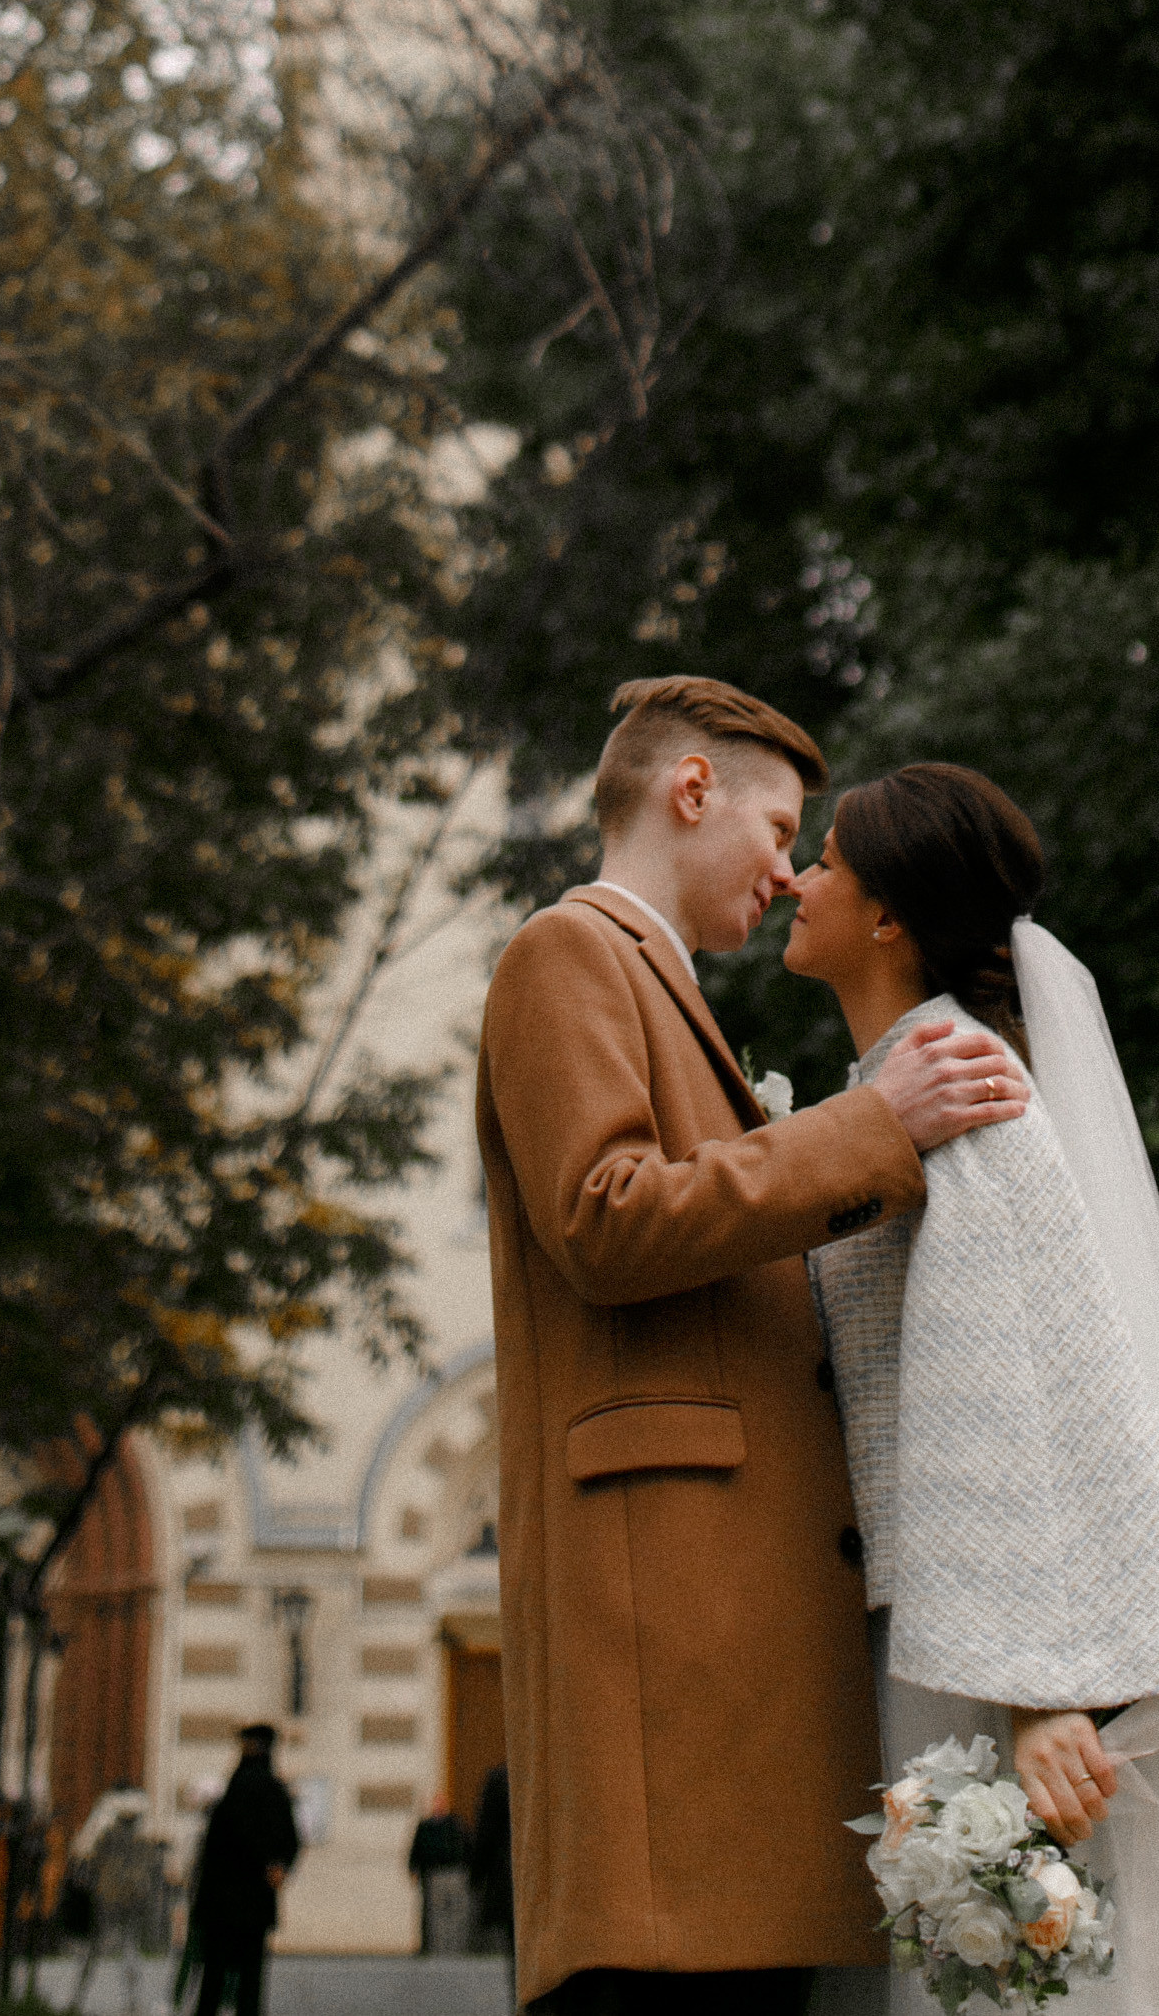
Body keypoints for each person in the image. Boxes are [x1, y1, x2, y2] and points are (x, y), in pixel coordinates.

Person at [476, 673, 1033, 2016]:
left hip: (714, 1662)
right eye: (776, 826)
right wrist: (866, 1125)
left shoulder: (659, 985)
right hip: (657, 1665)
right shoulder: (568, 952)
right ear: (688, 791)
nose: (786, 873)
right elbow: (602, 1218)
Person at [786, 761, 1159, 2016]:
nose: (796, 878)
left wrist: (1047, 1691)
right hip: (964, 1632)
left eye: (826, 860)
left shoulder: (965, 1093)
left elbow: (1022, 1378)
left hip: (1003, 1662)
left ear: (888, 916)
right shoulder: (899, 1088)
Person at [186, 1722, 300, 2014]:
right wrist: (278, 1866)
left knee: (214, 1976)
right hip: (255, 1897)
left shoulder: (233, 1791)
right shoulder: (275, 1790)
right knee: (251, 1978)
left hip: (222, 1900)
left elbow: (217, 1845)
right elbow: (290, 1838)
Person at [72, 1787, 164, 2015]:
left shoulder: (107, 1836)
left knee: (96, 1948)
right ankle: (131, 2001)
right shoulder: (142, 1841)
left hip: (109, 1898)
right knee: (129, 1948)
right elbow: (152, 1867)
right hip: (132, 1898)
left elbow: (88, 1858)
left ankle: (78, 1997)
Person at [408, 1792, 473, 1955]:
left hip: (454, 1872)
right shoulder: (425, 1826)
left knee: (455, 1913)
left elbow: (466, 1848)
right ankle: (437, 1947)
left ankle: (455, 1947)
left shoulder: (455, 1824)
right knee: (436, 1914)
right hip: (434, 1873)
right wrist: (413, 1868)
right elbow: (416, 1849)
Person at [466, 1760, 512, 1958]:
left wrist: (476, 1875)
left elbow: (485, 1833)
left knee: (515, 1945)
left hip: (509, 1877)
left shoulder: (500, 1778)